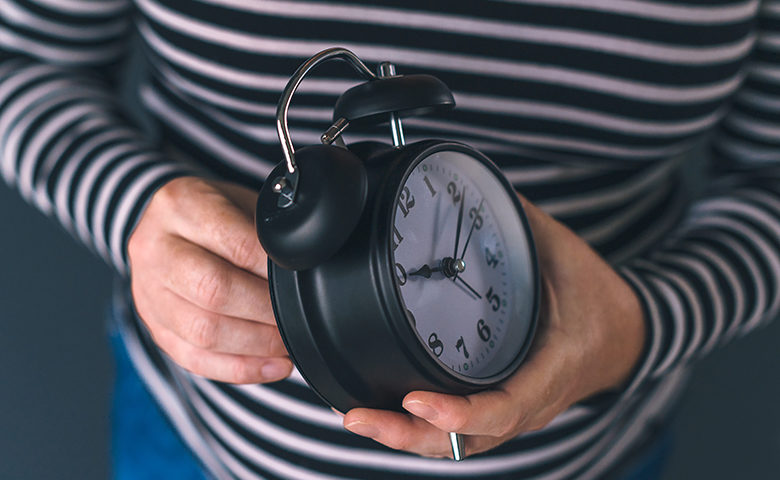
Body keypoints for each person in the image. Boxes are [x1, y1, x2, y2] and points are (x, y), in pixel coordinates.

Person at [1, 0, 778, 478]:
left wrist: (643, 323)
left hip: (599, 458)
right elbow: (20, 60)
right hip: (207, 454)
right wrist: (138, 210)